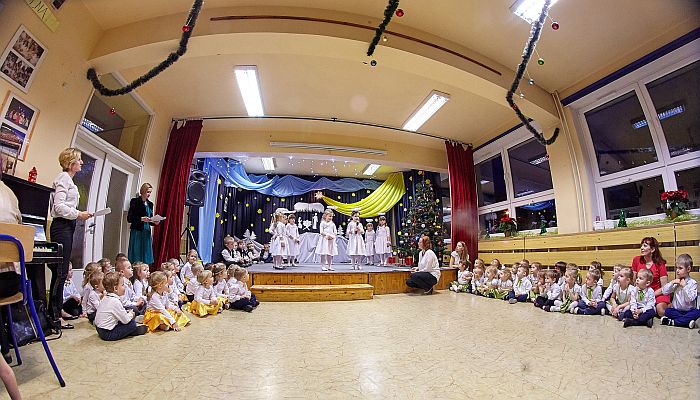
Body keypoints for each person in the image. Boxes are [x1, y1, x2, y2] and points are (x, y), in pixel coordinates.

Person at [49, 148, 93, 330]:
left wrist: (78, 214)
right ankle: (55, 315)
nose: (81, 163)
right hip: (61, 227)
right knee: (60, 272)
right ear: (71, 162)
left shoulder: (69, 181)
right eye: (79, 160)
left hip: (67, 226)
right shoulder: (63, 178)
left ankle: (57, 310)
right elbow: (58, 207)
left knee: (60, 271)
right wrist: (79, 214)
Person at [94, 272, 148, 341]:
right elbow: (126, 320)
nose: (124, 287)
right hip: (107, 333)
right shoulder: (115, 301)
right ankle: (132, 331)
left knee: (122, 319)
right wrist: (131, 314)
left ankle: (129, 331)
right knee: (132, 324)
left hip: (99, 329)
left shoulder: (106, 297)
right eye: (122, 285)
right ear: (115, 288)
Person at [631, 237, 670, 317]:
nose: (642, 248)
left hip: (657, 293)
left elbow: (664, 287)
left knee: (660, 311)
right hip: (641, 292)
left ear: (652, 249)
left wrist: (650, 295)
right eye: (641, 246)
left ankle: (671, 307)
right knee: (633, 309)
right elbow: (634, 281)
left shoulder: (660, 263)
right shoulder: (636, 260)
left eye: (645, 246)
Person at [660, 254, 699, 329]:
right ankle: (686, 322)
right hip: (676, 311)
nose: (677, 270)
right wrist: (672, 282)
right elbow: (664, 292)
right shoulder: (676, 282)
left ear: (688, 269)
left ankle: (673, 322)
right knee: (667, 311)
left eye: (680, 268)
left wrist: (684, 286)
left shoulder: (692, 283)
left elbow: (689, 299)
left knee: (697, 312)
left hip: (688, 311)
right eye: (676, 268)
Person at [127, 183, 159, 264]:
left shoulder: (150, 204)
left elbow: (150, 218)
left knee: (146, 252)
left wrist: (154, 222)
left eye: (150, 192)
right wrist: (141, 219)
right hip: (137, 231)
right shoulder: (135, 201)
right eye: (148, 192)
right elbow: (129, 218)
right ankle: (135, 269)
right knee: (136, 252)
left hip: (146, 231)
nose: (149, 194)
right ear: (143, 191)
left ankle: (145, 269)